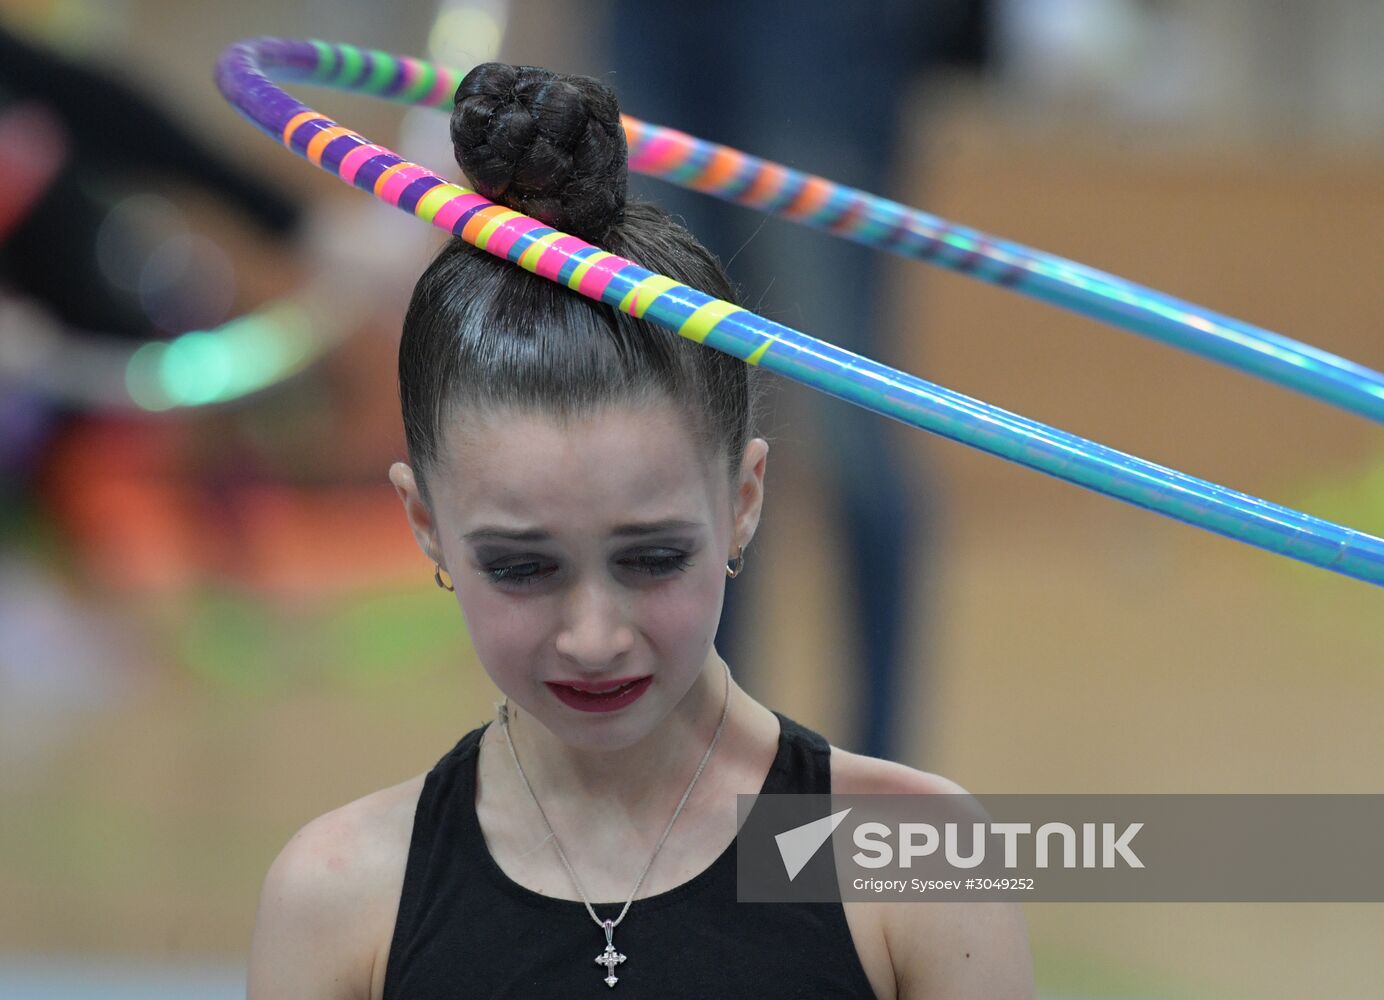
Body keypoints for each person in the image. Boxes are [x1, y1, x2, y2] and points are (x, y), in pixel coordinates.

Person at [245, 63, 1032, 999]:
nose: (594, 635)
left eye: (653, 558)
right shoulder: (340, 896)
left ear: (742, 501)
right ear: (425, 523)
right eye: (522, 567)